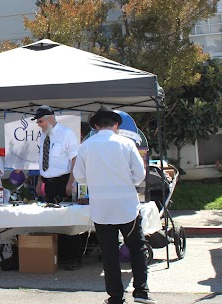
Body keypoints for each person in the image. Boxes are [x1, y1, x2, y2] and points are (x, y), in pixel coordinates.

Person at [73, 106, 156, 304]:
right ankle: (141, 292)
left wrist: (94, 181)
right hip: (126, 205)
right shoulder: (126, 144)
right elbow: (140, 176)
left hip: (102, 208)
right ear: (116, 125)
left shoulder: (86, 146)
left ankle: (116, 296)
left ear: (95, 126)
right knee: (137, 248)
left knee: (109, 254)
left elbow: (79, 177)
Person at [31, 105, 81, 270]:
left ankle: (73, 258)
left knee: (67, 220)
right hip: (48, 182)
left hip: (63, 181)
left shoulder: (66, 134)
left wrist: (70, 182)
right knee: (52, 220)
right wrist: (40, 181)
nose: (39, 124)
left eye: (41, 121)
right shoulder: (43, 136)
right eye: (38, 122)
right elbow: (43, 161)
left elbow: (75, 160)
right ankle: (56, 255)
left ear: (50, 118)